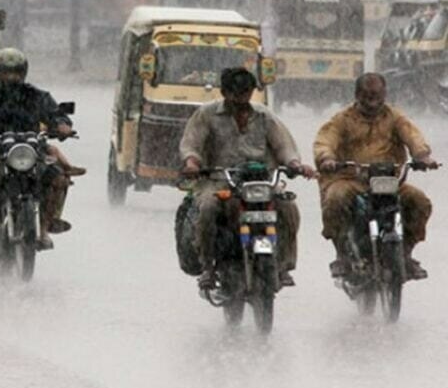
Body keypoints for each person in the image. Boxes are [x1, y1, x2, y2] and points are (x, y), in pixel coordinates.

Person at [180, 67, 315, 289]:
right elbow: (191, 145)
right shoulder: (206, 114)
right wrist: (192, 163)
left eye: (246, 92)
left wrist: (295, 164)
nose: (242, 98)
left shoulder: (264, 115)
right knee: (208, 209)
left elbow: (284, 146)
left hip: (260, 182)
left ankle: (283, 265)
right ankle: (208, 267)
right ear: (224, 92)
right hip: (219, 180)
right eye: (236, 93)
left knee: (288, 206)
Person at [313, 72, 437, 280]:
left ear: (384, 94)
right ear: (357, 94)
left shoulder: (395, 118)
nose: (372, 100)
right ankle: (343, 254)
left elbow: (413, 136)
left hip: (389, 182)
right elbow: (325, 140)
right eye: (367, 94)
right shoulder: (342, 120)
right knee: (335, 199)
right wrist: (327, 158)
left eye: (377, 94)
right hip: (351, 180)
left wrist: (422, 156)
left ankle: (405, 253)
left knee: (419, 202)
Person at [0, 48, 75, 252]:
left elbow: (56, 114)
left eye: (16, 72)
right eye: (5, 72)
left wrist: (63, 124)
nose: (11, 77)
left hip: (30, 152)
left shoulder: (37, 96)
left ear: (24, 73)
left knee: (58, 179)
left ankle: (46, 227)